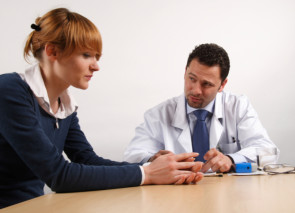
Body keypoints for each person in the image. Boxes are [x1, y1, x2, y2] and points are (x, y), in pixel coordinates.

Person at [0, 8, 203, 209]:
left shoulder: (64, 104)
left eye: (97, 56)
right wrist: (148, 174)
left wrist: (151, 166)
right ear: (52, 51)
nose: (96, 66)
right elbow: (59, 175)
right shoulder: (10, 90)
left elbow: (87, 160)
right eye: (87, 55)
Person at [124, 43, 279, 173]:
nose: (196, 90)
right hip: (176, 196)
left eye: (207, 84)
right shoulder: (158, 115)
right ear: (185, 72)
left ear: (222, 85)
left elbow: (267, 150)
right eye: (192, 79)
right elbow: (132, 156)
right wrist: (153, 159)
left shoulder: (238, 106)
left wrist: (230, 159)